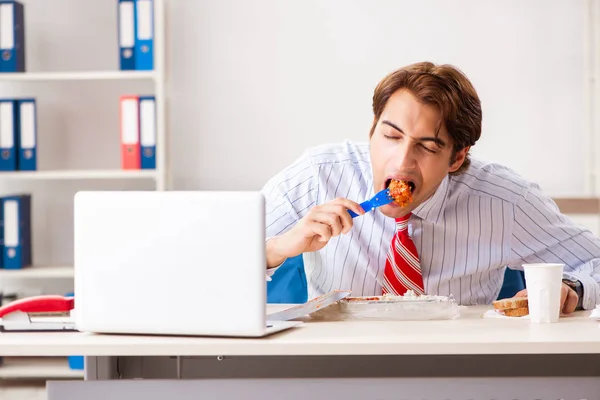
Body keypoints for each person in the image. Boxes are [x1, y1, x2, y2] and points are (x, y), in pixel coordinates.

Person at [261, 61, 600, 314]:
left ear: (456, 158)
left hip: (458, 371)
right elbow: (215, 256)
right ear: (372, 129)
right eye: (391, 136)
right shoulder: (317, 176)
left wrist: (571, 287)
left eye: (427, 146)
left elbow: (594, 260)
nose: (402, 161)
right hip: (333, 368)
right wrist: (277, 248)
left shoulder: (505, 201)